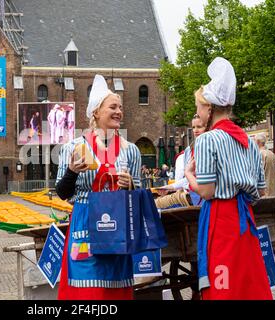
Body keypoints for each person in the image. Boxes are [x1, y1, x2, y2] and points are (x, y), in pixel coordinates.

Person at [184, 57, 272, 300]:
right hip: (245, 219)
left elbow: (206, 192)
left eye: (199, 107)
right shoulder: (248, 141)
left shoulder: (207, 140)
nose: (197, 112)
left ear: (210, 107)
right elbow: (261, 192)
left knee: (222, 283)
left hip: (221, 219)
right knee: (246, 282)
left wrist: (189, 175)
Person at [56, 74, 141, 300]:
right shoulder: (74, 147)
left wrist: (130, 185)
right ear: (96, 112)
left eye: (120, 107)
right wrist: (72, 171)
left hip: (117, 229)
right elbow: (62, 193)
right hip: (85, 225)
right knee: (88, 292)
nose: (119, 112)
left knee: (115, 292)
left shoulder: (130, 150)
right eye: (113, 106)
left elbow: (139, 195)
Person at [155, 114, 207, 209]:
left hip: (203, 198)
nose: (195, 130)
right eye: (193, 127)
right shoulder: (189, 150)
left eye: (199, 127)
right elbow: (188, 178)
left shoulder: (209, 148)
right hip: (191, 196)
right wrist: (169, 187)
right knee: (156, 207)